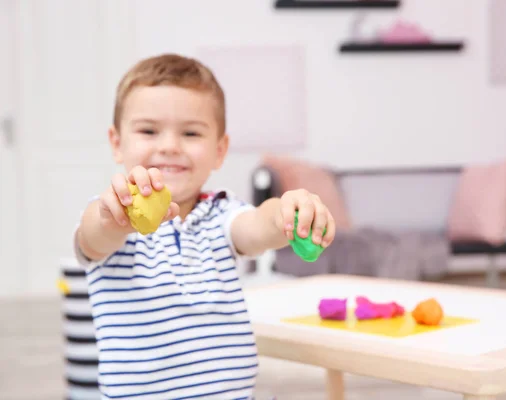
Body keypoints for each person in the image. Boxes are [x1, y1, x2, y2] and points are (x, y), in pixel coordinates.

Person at [73, 53, 336, 400]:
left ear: (219, 150)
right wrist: (114, 220)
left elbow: (257, 226)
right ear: (117, 143)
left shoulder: (221, 213)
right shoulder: (111, 213)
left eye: (191, 132)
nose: (169, 146)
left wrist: (284, 212)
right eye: (149, 130)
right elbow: (92, 238)